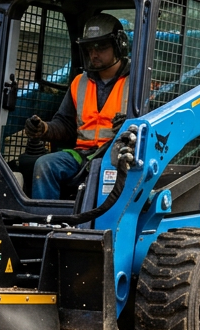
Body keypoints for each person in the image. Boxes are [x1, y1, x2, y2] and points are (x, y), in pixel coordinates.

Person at [25, 14, 130, 200]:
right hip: (81, 155)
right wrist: (44, 129)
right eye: (90, 48)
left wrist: (129, 125)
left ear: (119, 45)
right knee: (44, 164)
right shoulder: (79, 83)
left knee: (104, 170)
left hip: (116, 154)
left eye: (101, 47)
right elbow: (65, 123)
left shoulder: (137, 82)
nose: (94, 54)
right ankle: (43, 223)